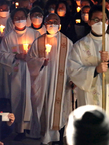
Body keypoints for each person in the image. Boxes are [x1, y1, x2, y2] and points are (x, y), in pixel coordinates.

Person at [67, 5, 109, 145]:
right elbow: (73, 70)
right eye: (96, 19)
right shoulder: (79, 46)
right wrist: (94, 70)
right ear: (89, 21)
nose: (99, 23)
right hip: (90, 94)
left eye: (103, 20)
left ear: (108, 22)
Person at [26, 13, 72, 144]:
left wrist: (72, 78)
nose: (52, 23)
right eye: (49, 21)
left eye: (55, 21)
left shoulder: (67, 43)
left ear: (60, 23)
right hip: (44, 83)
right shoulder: (38, 42)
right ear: (45, 24)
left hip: (61, 84)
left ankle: (57, 138)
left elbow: (72, 63)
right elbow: (30, 60)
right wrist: (40, 62)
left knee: (59, 111)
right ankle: (45, 138)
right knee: (45, 110)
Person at [0, 8, 40, 140]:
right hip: (17, 73)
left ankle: (33, 128)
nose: (20, 20)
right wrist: (17, 56)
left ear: (27, 18)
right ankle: (19, 129)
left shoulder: (35, 34)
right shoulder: (9, 36)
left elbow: (41, 51)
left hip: (33, 73)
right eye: (17, 18)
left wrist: (32, 57)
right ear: (12, 20)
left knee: (33, 98)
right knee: (18, 99)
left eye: (22, 17)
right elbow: (1, 55)